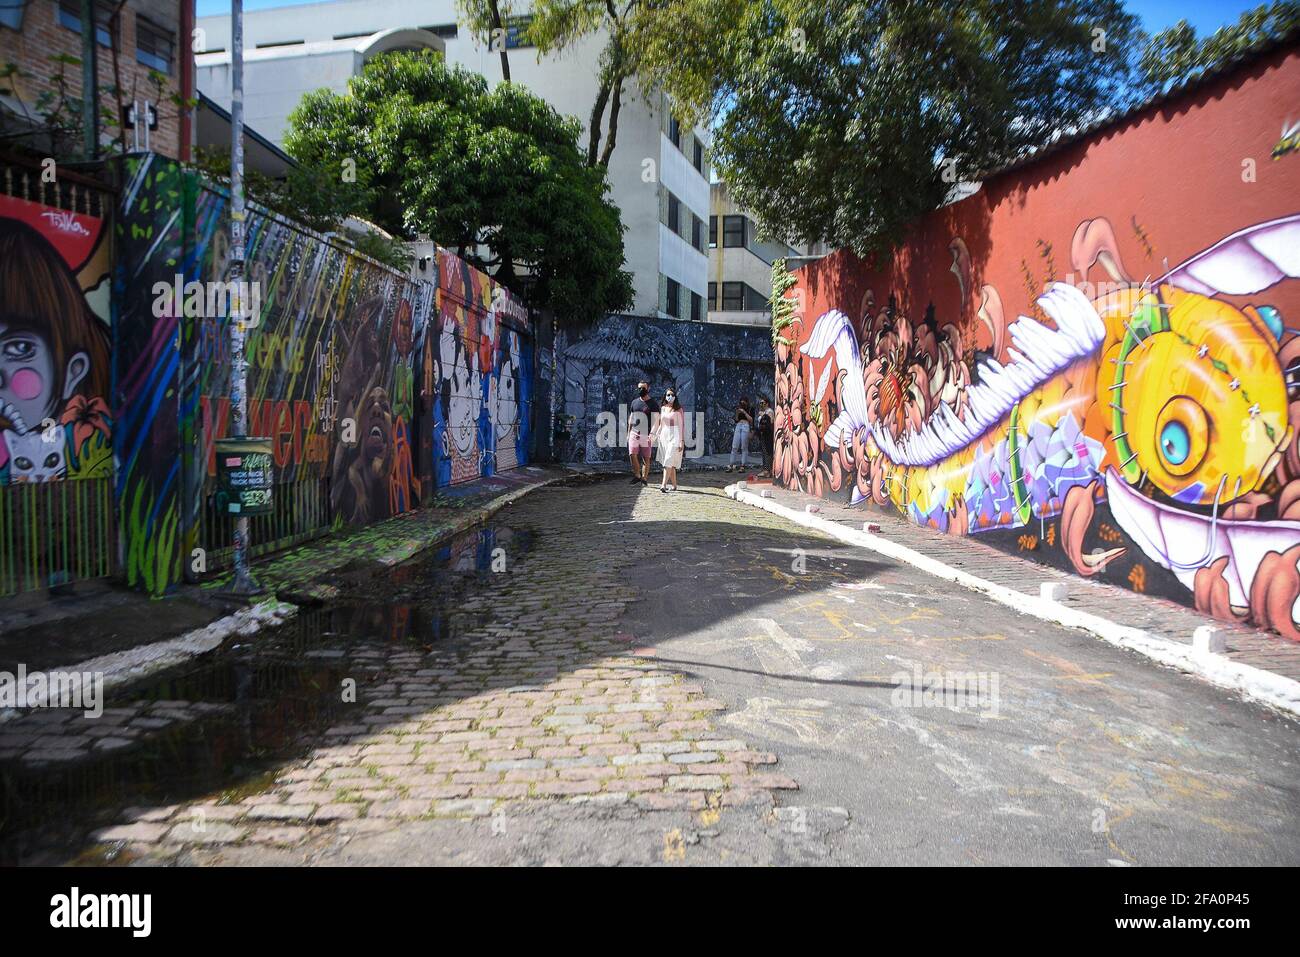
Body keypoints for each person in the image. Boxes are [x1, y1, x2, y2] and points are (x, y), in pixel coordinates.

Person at [652, 386, 684, 492]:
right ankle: (674, 486)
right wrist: (654, 436)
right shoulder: (663, 408)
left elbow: (681, 426)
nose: (670, 397)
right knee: (671, 463)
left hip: (675, 435)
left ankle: (663, 485)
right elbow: (661, 424)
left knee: (668, 460)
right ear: (665, 396)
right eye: (668, 395)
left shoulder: (679, 410)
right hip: (664, 436)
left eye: (672, 395)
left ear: (675, 397)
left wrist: (681, 441)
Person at [627, 380, 653, 485]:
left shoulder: (653, 404)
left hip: (646, 433)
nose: (641, 390)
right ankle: (637, 475)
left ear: (648, 389)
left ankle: (644, 478)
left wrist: (653, 433)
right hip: (634, 432)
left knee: (646, 458)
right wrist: (628, 433)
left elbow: (657, 420)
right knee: (632, 454)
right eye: (639, 388)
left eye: (643, 388)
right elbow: (631, 418)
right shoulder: (634, 402)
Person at [727, 397, 753, 472]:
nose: (742, 404)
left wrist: (744, 412)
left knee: (744, 446)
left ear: (747, 402)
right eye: (741, 403)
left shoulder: (750, 408)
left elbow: (751, 420)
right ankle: (731, 465)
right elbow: (736, 420)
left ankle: (743, 465)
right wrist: (738, 413)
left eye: (744, 403)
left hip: (746, 425)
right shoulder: (739, 408)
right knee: (734, 446)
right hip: (738, 425)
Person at [756, 397, 775, 476]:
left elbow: (771, 421)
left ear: (767, 403)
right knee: (764, 452)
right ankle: (766, 469)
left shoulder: (769, 411)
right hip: (762, 433)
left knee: (767, 452)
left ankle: (767, 470)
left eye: (763, 403)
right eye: (760, 403)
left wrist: (763, 415)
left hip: (767, 434)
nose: (761, 405)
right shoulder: (763, 411)